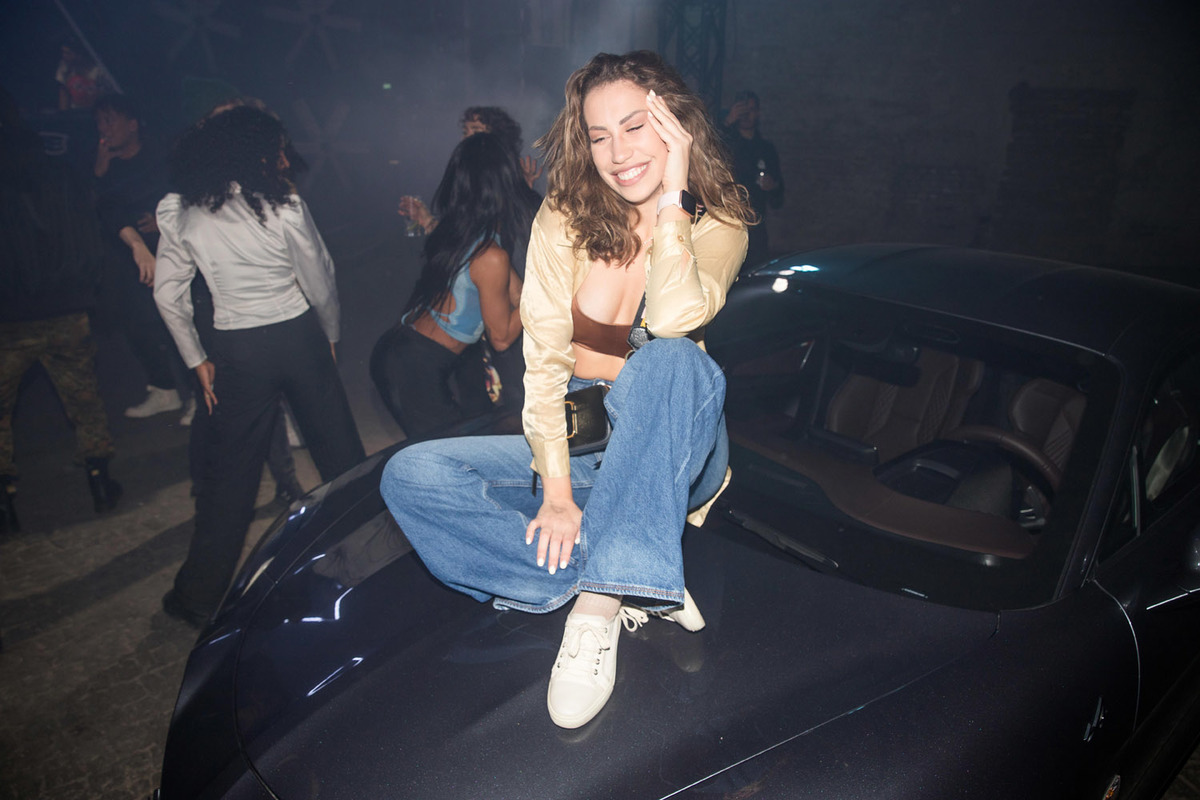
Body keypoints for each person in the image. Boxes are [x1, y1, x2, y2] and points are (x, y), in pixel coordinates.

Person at [381, 50, 753, 729]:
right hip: (585, 435)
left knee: (671, 360)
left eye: (636, 127)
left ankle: (598, 611)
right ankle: (625, 572)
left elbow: (675, 318)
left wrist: (673, 199)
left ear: (676, 125)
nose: (618, 153)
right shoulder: (566, 213)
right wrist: (556, 494)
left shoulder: (718, 221)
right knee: (411, 475)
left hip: (673, 440)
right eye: (599, 135)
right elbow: (544, 359)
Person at [153, 106, 365, 626]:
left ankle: (197, 597)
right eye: (276, 148)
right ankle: (368, 561)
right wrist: (330, 334)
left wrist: (196, 358)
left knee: (230, 477)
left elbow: (167, 294)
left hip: (237, 348)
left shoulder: (183, 210)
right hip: (298, 337)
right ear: (255, 152)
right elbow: (319, 276)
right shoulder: (282, 203)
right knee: (341, 457)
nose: (282, 158)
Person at [1, 87, 120, 532]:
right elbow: (88, 237)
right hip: (65, 308)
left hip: (9, 318)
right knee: (84, 399)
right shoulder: (59, 172)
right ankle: (100, 481)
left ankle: (5, 502)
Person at [371, 133, 537, 438]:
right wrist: (549, 292)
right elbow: (501, 338)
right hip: (414, 366)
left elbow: (519, 293)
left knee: (462, 442)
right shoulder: (490, 255)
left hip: (403, 351)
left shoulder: (466, 231)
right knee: (445, 456)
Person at [92, 93, 189, 420]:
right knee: (137, 327)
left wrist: (164, 223)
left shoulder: (159, 158)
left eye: (110, 120)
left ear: (132, 125)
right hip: (127, 261)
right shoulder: (103, 166)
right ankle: (165, 390)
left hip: (170, 252)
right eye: (99, 121)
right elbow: (98, 211)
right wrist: (99, 172)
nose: (103, 128)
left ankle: (197, 394)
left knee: (176, 323)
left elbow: (186, 197)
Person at [722, 90, 783, 270]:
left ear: (758, 113)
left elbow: (779, 197)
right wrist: (727, 122)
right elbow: (707, 149)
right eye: (742, 109)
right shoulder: (727, 143)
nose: (746, 114)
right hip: (727, 222)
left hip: (756, 228)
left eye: (751, 110)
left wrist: (772, 186)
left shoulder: (766, 149)